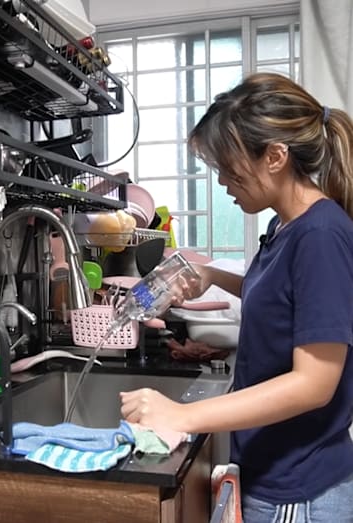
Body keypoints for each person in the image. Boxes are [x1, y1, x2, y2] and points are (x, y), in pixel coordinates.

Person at [119, 72, 353, 522]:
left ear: (275, 156)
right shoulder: (284, 225)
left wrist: (181, 415)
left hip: (300, 492)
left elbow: (314, 384)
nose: (224, 181)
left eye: (229, 166)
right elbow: (282, 300)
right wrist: (211, 276)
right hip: (275, 474)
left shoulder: (321, 235)